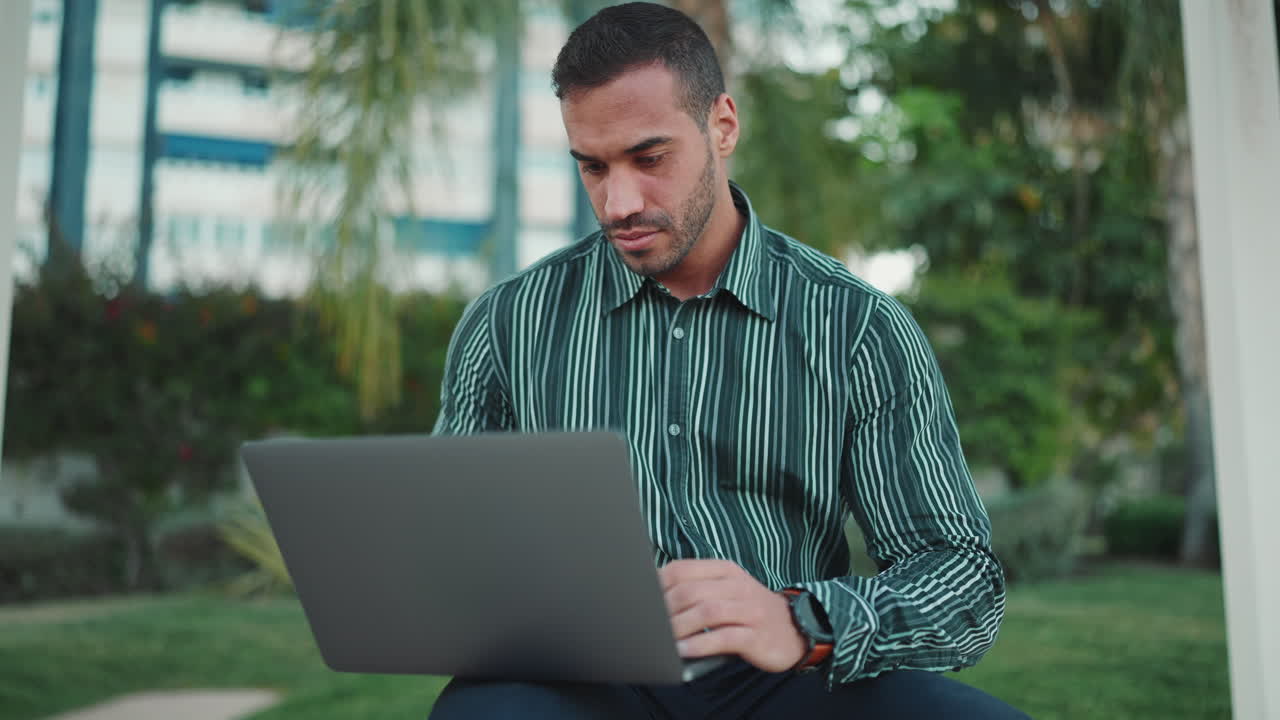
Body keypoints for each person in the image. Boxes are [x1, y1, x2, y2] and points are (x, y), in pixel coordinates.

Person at [429, 3, 1028, 718]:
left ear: (723, 126)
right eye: (593, 167)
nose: (619, 202)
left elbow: (959, 578)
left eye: (649, 159)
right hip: (578, 681)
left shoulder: (859, 326)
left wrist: (805, 622)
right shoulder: (506, 324)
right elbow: (450, 553)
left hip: (791, 676)